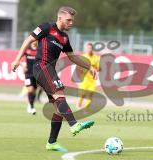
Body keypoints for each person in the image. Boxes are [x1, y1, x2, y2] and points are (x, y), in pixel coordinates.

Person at [12, 6, 96, 152]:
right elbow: (28, 40)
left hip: (49, 70)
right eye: (69, 20)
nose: (71, 23)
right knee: (60, 94)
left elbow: (72, 57)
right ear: (60, 18)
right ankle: (74, 124)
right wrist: (17, 59)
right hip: (40, 67)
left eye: (72, 20)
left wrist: (89, 67)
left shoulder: (65, 38)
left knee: (58, 109)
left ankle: (52, 142)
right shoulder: (46, 27)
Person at [77, 43, 100, 114]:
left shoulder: (96, 58)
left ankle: (85, 109)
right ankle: (79, 105)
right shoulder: (84, 57)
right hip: (84, 80)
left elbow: (99, 68)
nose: (89, 49)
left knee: (90, 95)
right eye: (88, 48)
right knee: (82, 94)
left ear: (92, 49)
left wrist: (94, 70)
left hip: (92, 80)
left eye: (90, 48)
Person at [23, 41, 38, 114]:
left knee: (34, 91)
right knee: (30, 90)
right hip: (28, 73)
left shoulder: (39, 50)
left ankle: (30, 104)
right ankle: (31, 107)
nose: (35, 41)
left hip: (37, 73)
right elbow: (19, 58)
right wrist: (23, 66)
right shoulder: (27, 49)